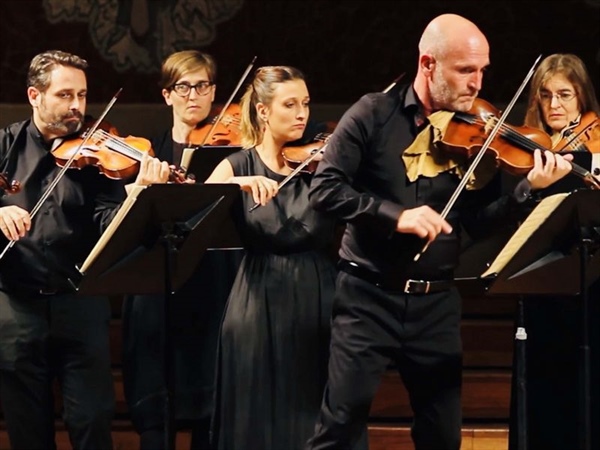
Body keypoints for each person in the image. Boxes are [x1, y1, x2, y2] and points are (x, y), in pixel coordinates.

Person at [304, 14, 573, 450]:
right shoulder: (372, 114)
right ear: (428, 64)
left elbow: (473, 224)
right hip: (368, 297)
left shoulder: (475, 133)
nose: (477, 83)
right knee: (339, 427)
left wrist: (528, 189)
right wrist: (395, 215)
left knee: (442, 436)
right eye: (465, 70)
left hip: (436, 304)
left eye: (483, 70)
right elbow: (325, 189)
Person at [0, 50, 169, 450]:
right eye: (64, 95)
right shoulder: (5, 145)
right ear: (34, 95)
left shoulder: (96, 153)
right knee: (27, 428)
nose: (77, 106)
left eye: (82, 95)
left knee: (92, 420)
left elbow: (109, 222)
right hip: (16, 306)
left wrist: (138, 197)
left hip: (80, 299)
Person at [205, 66, 353, 450]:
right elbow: (193, 209)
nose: (302, 113)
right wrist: (237, 183)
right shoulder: (238, 165)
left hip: (318, 293)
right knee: (257, 415)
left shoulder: (323, 167)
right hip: (258, 299)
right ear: (264, 111)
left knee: (315, 413)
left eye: (305, 103)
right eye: (290, 104)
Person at [121, 50, 243, 450]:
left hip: (214, 288)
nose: (194, 95)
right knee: (157, 414)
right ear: (167, 94)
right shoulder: (146, 154)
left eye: (202, 85)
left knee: (211, 412)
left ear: (214, 92)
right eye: (183, 86)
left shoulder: (234, 154)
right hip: (160, 293)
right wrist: (141, 192)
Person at [508, 53, 600, 450]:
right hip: (541, 285)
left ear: (582, 99)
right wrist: (531, 184)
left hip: (591, 282)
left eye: (565, 94)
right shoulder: (526, 149)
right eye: (546, 96)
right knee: (544, 382)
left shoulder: (596, 145)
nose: (556, 105)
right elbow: (507, 216)